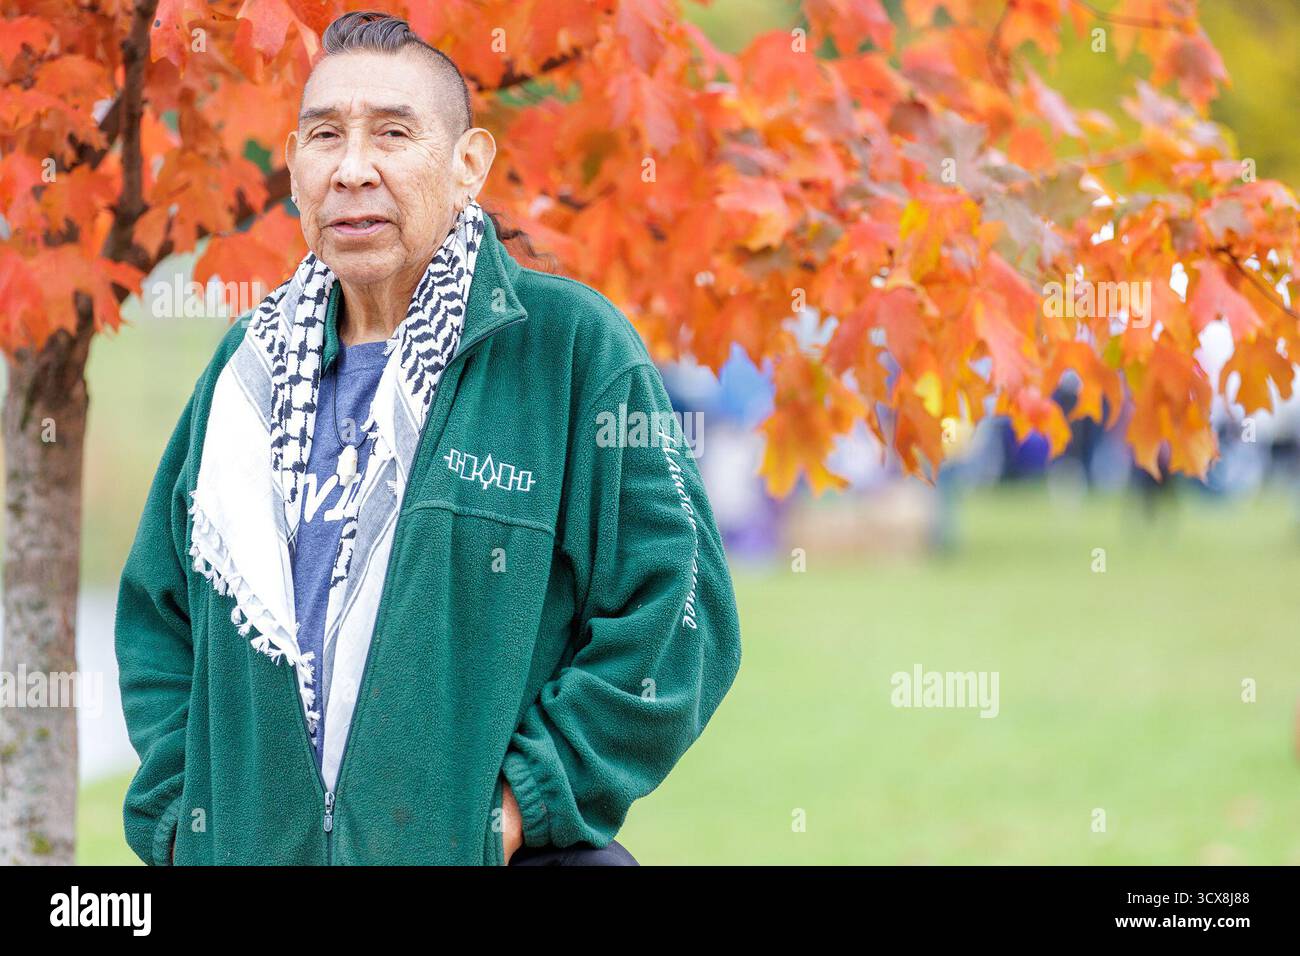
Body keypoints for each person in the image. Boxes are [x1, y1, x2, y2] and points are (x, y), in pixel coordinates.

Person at [115, 11, 742, 866]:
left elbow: (682, 612)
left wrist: (527, 805)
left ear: (467, 165)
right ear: (294, 165)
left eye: (394, 134)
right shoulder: (246, 369)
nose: (353, 169)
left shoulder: (567, 348)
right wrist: (179, 825)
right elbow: (159, 614)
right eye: (325, 135)